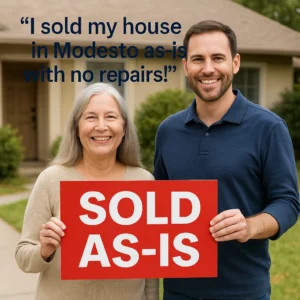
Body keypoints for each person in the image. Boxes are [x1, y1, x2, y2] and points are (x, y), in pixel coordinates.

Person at [153, 20, 300, 300]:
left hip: (244, 292)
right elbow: (158, 206)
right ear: (186, 66)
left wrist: (249, 226)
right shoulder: (168, 131)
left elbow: (288, 203)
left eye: (217, 58)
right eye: (198, 59)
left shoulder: (268, 128)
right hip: (178, 292)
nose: (208, 69)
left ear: (235, 63)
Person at [16, 83, 159, 300]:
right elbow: (23, 257)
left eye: (110, 117)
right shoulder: (52, 179)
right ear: (76, 127)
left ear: (124, 127)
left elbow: (150, 268)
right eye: (90, 117)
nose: (101, 126)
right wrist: (44, 249)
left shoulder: (144, 182)